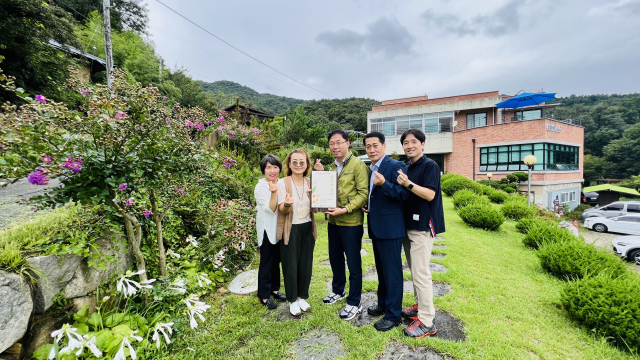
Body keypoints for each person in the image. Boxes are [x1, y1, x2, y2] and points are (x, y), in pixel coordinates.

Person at [313, 129, 369, 321]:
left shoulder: (358, 165)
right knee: (335, 258)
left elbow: (363, 194)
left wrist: (344, 210)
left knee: (353, 263)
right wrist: (320, 175)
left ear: (347, 143)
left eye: (338, 142)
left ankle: (355, 302)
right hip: (334, 221)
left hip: (351, 222)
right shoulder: (333, 167)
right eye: (331, 144)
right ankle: (339, 290)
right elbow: (327, 191)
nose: (335, 147)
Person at [396, 128, 446, 338]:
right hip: (408, 226)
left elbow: (429, 194)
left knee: (421, 273)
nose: (409, 145)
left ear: (423, 144)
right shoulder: (408, 167)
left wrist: (408, 183)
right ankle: (419, 307)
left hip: (423, 227)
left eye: (414, 141)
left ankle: (427, 321)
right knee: (415, 270)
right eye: (406, 142)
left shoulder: (430, 165)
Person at [363, 131, 409, 332]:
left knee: (392, 273)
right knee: (382, 270)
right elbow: (376, 196)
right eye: (368, 146)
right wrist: (369, 204)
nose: (371, 150)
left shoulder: (395, 166)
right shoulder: (371, 168)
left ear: (383, 146)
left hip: (391, 229)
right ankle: (383, 304)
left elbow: (404, 194)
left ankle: (393, 315)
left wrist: (385, 184)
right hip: (377, 227)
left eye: (375, 145)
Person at [277, 148, 317, 316]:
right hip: (291, 228)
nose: (298, 165)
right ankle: (292, 299)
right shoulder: (283, 183)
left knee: (306, 264)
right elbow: (281, 211)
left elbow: (318, 207)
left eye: (302, 162)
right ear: (289, 164)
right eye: (295, 162)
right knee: (290, 264)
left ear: (307, 164)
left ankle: (302, 297)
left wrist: (316, 198)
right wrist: (286, 203)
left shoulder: (311, 182)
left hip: (308, 227)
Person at [254, 154, 287, 309]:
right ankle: (264, 295)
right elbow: (271, 208)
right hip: (267, 228)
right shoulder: (260, 186)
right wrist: (274, 192)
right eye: (268, 167)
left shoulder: (281, 183)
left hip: (279, 228)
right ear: (263, 170)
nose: (272, 171)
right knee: (266, 261)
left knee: (276, 261)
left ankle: (275, 289)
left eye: (275, 167)